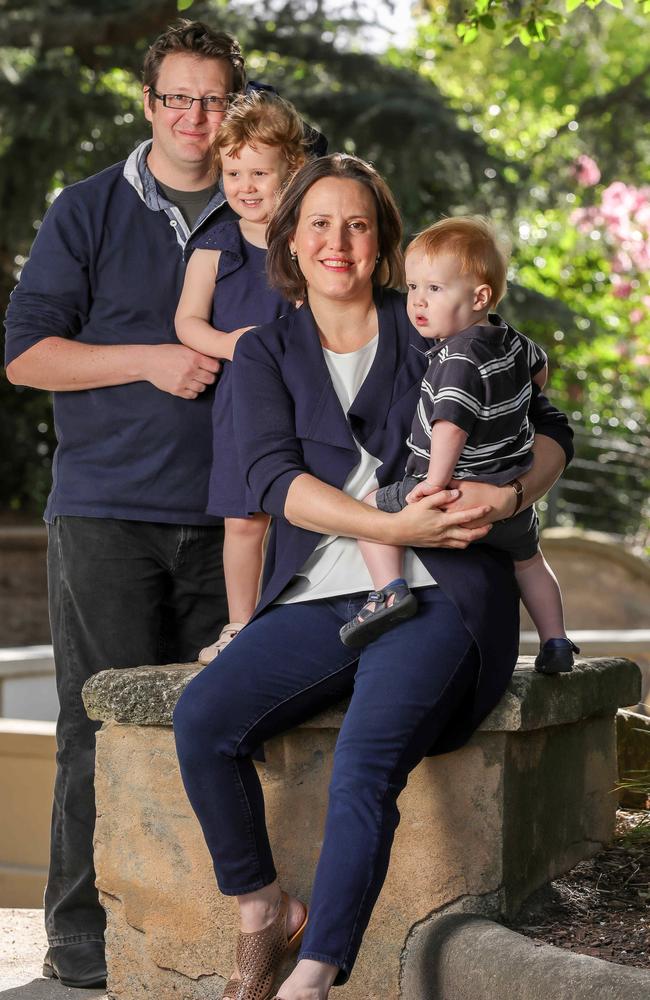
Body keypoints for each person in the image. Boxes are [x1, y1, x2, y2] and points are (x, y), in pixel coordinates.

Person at [172, 154, 573, 1000]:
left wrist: (509, 496)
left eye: (357, 223)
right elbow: (277, 484)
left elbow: (550, 424)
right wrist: (388, 523)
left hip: (444, 589)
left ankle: (312, 980)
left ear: (383, 240)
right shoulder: (264, 353)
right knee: (204, 716)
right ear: (289, 238)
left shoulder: (435, 318)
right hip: (324, 590)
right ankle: (262, 912)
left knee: (365, 764)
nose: (337, 241)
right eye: (319, 223)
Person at [3, 19, 323, 990]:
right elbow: (24, 355)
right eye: (176, 97)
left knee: (226, 725)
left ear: (237, 107)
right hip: (109, 510)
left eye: (213, 99)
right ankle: (81, 943)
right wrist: (147, 356)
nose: (194, 117)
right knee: (94, 729)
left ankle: (198, 931)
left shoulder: (280, 212)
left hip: (246, 515)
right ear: (148, 104)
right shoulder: (89, 208)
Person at [339, 216, 579, 674]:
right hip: (508, 483)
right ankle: (556, 641)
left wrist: (433, 483)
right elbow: (539, 371)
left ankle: (389, 591)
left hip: (457, 484)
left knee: (368, 511)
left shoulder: (457, 358)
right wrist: (518, 403)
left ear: (479, 296)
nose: (417, 303)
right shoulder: (509, 340)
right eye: (412, 288)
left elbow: (449, 425)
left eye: (434, 289)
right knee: (529, 563)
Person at [176, 91, 308, 661]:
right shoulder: (213, 249)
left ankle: (301, 621)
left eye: (260, 172)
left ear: (292, 171)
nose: (246, 186)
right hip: (241, 404)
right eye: (234, 172)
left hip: (305, 399)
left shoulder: (307, 243)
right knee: (244, 520)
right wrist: (233, 346)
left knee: (306, 513)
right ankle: (240, 625)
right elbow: (187, 323)